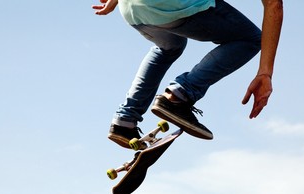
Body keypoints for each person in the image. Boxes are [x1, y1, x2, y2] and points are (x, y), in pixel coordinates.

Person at [92, 0, 283, 149]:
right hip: (173, 5)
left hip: (133, 10)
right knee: (250, 39)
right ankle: (179, 95)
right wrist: (265, 73)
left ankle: (125, 119)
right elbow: (274, 4)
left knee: (169, 47)